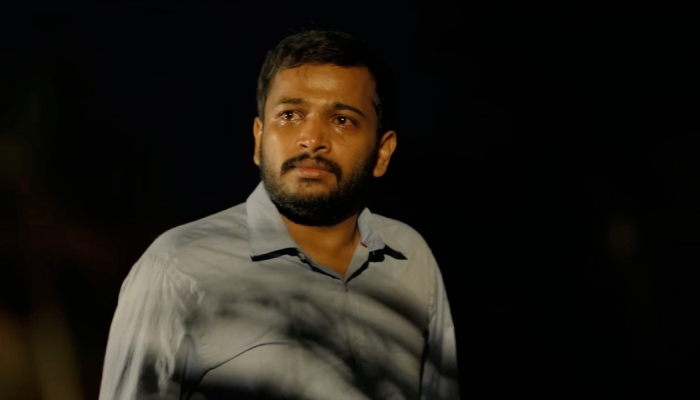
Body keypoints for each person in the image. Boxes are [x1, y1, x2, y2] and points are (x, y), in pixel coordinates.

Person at [99, 29, 459, 400]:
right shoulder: (177, 266)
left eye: (342, 120)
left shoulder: (411, 258)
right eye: (290, 115)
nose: (312, 139)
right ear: (258, 139)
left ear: (382, 152)